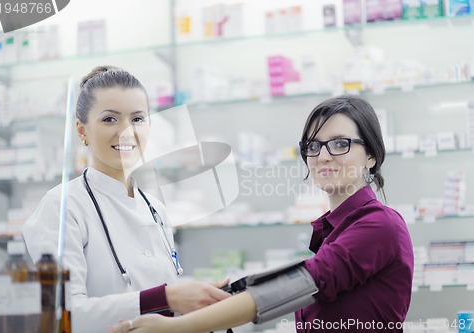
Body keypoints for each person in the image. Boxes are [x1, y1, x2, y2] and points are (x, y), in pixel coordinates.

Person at [109, 95, 414, 333]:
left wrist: (178, 327)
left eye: (340, 144)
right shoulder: (333, 230)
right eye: (313, 145)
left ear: (372, 155)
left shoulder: (380, 225)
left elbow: (308, 281)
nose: (322, 156)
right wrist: (222, 296)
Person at [22, 66, 230, 333]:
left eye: (138, 119)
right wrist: (167, 297)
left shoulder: (156, 209)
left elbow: (164, 313)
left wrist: (202, 303)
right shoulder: (61, 207)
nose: (126, 132)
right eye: (110, 119)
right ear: (82, 131)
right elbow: (63, 316)